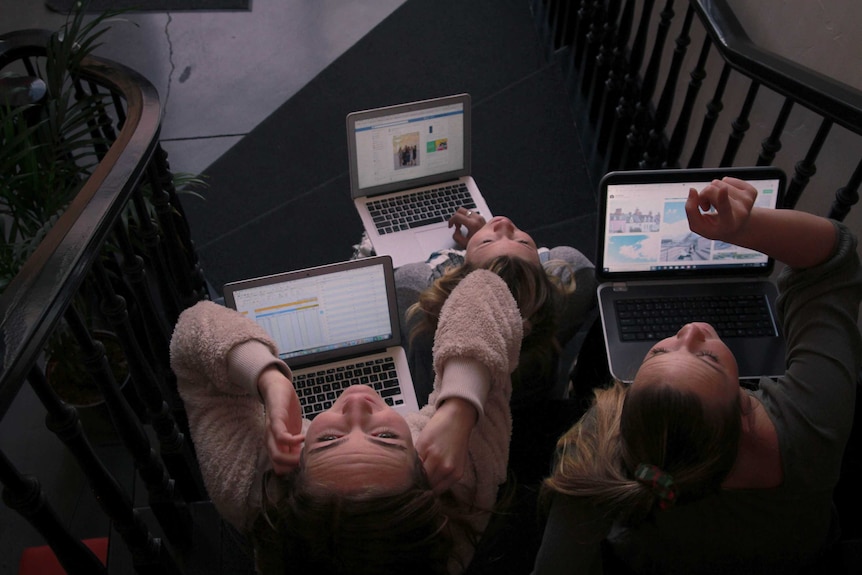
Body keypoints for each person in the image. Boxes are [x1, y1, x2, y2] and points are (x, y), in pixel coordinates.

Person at [533, 177, 862, 574]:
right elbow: (832, 257)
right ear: (745, 411)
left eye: (659, 351)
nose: (690, 328)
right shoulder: (811, 425)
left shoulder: (593, 448)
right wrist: (748, 228)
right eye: (709, 359)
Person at [170, 267, 524, 574]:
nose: (357, 401)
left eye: (327, 440)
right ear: (427, 470)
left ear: (292, 474)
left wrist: (269, 379)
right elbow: (485, 287)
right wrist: (460, 407)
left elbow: (194, 325)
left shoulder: (251, 490)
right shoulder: (462, 485)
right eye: (386, 436)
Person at [394, 207, 598, 408]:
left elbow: (421, 275)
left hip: (438, 407)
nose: (504, 224)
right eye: (522, 242)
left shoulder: (415, 298)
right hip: (536, 403)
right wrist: (484, 247)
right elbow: (558, 260)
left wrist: (477, 245)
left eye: (487, 242)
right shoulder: (576, 278)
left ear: (457, 277)